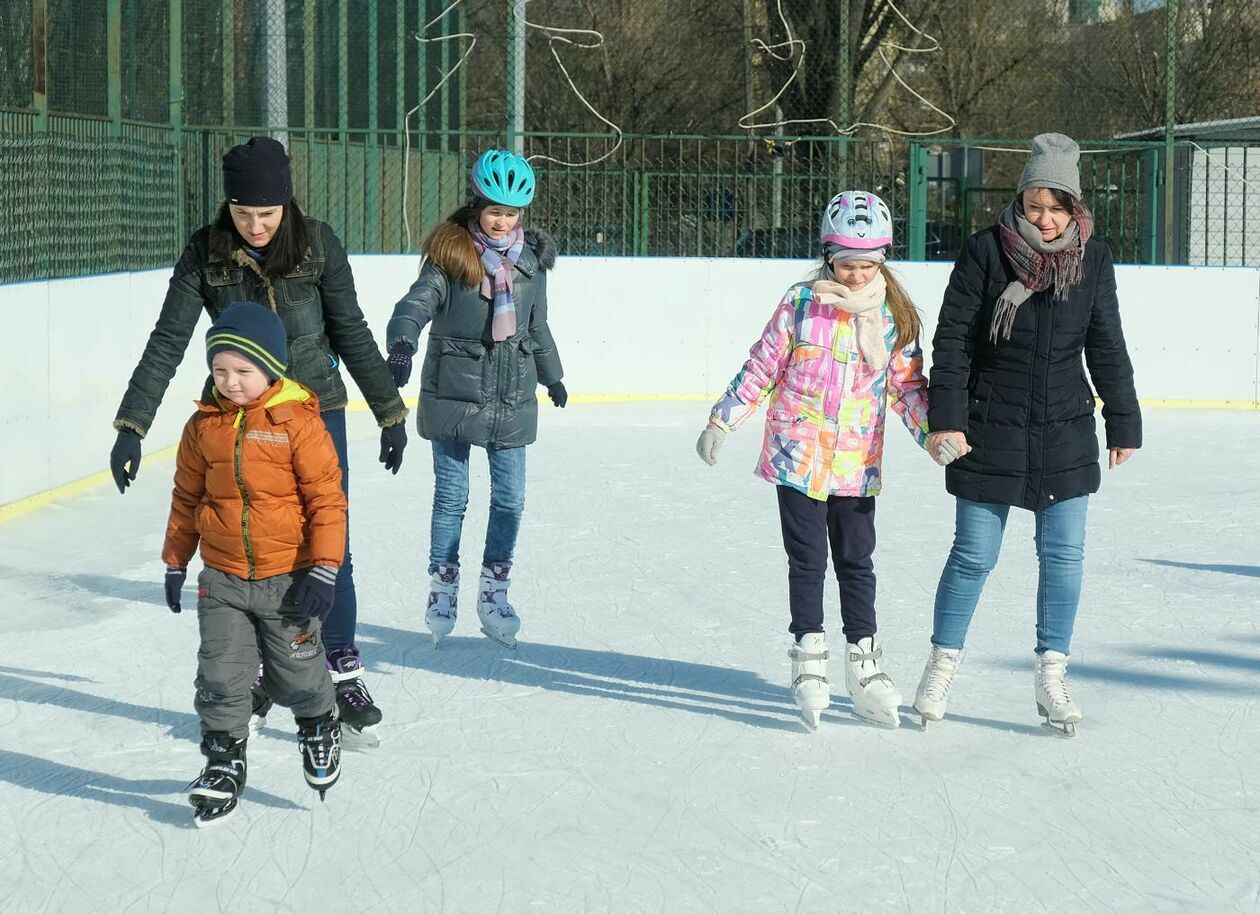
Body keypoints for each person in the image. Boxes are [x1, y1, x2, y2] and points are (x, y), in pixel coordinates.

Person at [110, 136, 406, 741]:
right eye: (243, 212)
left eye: (266, 213)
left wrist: (389, 412)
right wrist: (132, 424)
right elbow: (168, 339)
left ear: (286, 202)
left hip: (314, 413)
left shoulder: (318, 244)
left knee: (329, 545)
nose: (255, 225)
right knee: (241, 549)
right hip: (237, 416)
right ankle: (253, 673)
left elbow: (349, 329)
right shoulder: (206, 251)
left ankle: (339, 661)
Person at [914, 133, 1142, 737]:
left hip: (1065, 429)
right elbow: (954, 342)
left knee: (1063, 557)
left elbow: (1107, 341)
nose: (1045, 219)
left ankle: (1051, 671)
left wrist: (1123, 420)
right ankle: (942, 664)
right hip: (991, 426)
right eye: (1035, 205)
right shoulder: (985, 252)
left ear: (1075, 208)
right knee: (973, 556)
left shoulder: (1093, 258)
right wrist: (949, 419)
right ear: (1020, 200)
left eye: (1057, 206)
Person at [695, 190, 933, 729]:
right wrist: (722, 420)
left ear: (883, 261)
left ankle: (864, 660)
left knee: (857, 562)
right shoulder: (801, 302)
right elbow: (762, 367)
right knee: (806, 561)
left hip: (855, 462)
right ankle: (809, 656)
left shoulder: (894, 318)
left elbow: (908, 388)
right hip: (796, 455)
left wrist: (933, 436)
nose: (854, 276)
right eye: (846, 264)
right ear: (828, 256)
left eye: (866, 265)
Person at [164, 302, 345, 826]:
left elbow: (327, 501)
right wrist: (177, 559)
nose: (231, 382)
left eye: (243, 371)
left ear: (271, 369)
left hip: (287, 578)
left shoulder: (299, 425)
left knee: (296, 678)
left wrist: (325, 568)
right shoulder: (203, 426)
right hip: (221, 577)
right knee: (220, 676)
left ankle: (318, 723)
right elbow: (186, 495)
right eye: (220, 370)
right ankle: (223, 762)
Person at [385, 149, 567, 649]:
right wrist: (402, 343)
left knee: (511, 498)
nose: (502, 220)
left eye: (510, 213)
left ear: (521, 216)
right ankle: (442, 587)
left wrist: (553, 376)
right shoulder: (452, 258)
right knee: (453, 497)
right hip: (454, 393)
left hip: (512, 395)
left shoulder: (531, 265)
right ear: (477, 206)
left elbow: (537, 325)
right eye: (493, 210)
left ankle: (494, 589)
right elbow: (414, 304)